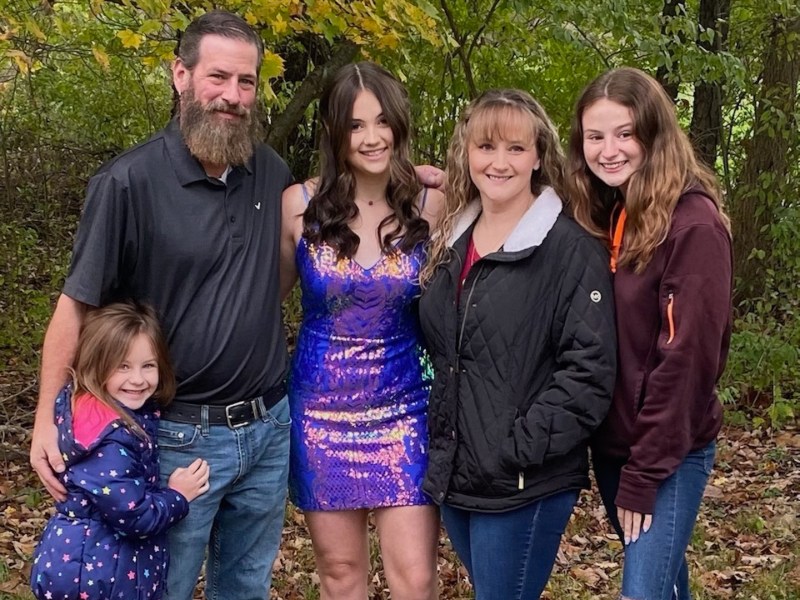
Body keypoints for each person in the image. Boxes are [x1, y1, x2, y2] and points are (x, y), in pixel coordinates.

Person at [29, 11, 294, 600]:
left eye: (246, 82)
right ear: (181, 75)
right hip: (175, 437)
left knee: (246, 586)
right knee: (161, 589)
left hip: (269, 426)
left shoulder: (270, 172)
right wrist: (46, 416)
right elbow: (75, 305)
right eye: (218, 77)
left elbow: (304, 249)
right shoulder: (128, 183)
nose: (232, 96)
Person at [417, 88, 617, 600]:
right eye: (486, 147)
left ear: (538, 157)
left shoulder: (568, 249)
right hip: (457, 471)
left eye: (515, 148)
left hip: (522, 480)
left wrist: (517, 448)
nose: (498, 162)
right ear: (467, 152)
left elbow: (589, 371)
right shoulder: (450, 238)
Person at [279, 61, 444, 600]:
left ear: (398, 124)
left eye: (381, 122)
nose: (371, 138)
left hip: (405, 406)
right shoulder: (298, 205)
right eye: (354, 125)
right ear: (333, 132)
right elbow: (263, 297)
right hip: (321, 412)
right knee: (342, 575)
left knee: (415, 579)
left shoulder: (431, 203)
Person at [567, 67, 733, 600]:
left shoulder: (694, 224)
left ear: (655, 136)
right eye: (596, 136)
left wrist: (643, 474)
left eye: (625, 133)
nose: (609, 149)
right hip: (615, 447)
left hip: (667, 454)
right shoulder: (612, 209)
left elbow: (686, 361)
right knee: (665, 585)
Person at [30, 302, 210, 600]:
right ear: (96, 365)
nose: (138, 379)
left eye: (148, 365)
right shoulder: (108, 438)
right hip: (98, 577)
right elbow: (134, 516)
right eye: (122, 366)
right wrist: (177, 495)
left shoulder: (96, 406)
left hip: (95, 565)